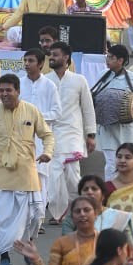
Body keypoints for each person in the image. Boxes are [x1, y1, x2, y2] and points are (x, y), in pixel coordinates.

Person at [0, 73, 54, 265]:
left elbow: (47, 135)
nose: (4, 94)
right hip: (2, 174)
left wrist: (47, 153)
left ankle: (28, 246)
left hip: (27, 172)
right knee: (2, 217)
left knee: (36, 215)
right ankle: (5, 256)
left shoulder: (31, 110)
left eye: (8, 90)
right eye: (1, 90)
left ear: (18, 91)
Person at [45, 42, 96, 221]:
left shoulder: (79, 80)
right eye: (51, 54)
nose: (51, 57)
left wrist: (91, 135)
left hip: (72, 133)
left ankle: (79, 209)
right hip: (51, 133)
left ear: (66, 57)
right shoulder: (46, 80)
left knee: (73, 176)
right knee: (53, 176)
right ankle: (59, 212)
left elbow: (88, 108)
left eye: (55, 54)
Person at [91, 43, 133, 179]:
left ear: (120, 61)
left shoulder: (132, 77)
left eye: (111, 57)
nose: (107, 60)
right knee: (111, 163)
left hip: (126, 129)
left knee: (130, 161)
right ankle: (110, 192)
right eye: (107, 57)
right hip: (107, 129)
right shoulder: (102, 75)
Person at [20, 47, 62, 225]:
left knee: (41, 179)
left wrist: (36, 117)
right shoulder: (19, 83)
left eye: (31, 61)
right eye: (26, 61)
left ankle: (38, 219)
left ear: (41, 64)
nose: (27, 64)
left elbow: (57, 112)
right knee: (23, 178)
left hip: (41, 138)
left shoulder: (49, 85)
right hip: (21, 138)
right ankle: (24, 218)